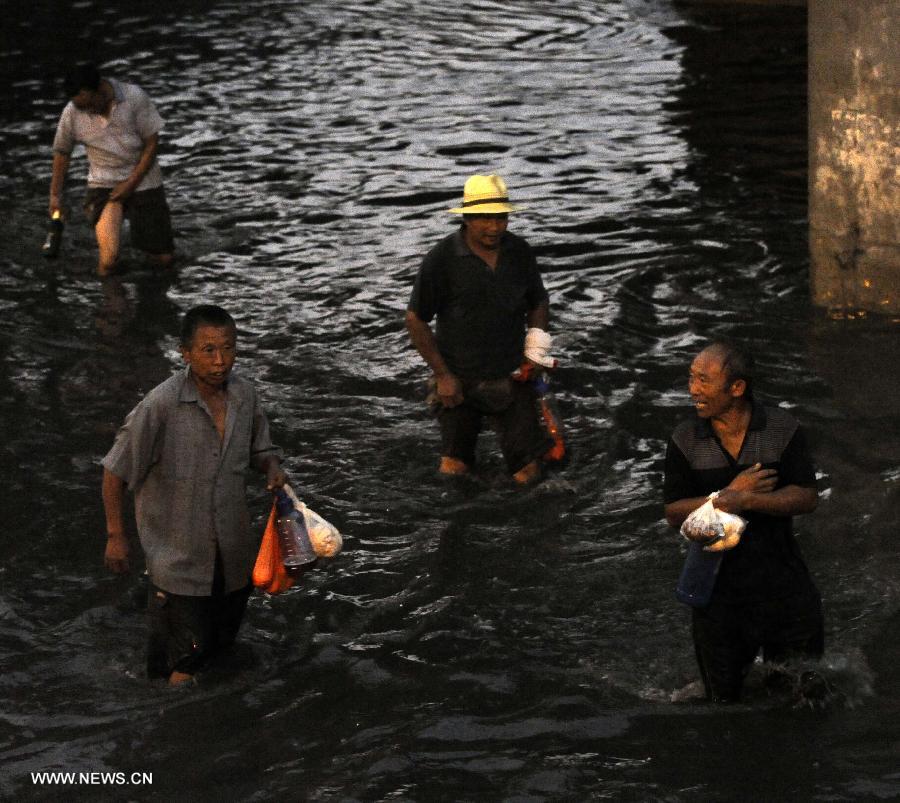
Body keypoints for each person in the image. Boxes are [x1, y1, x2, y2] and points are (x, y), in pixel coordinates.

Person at [102, 304, 286, 684]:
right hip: (179, 562)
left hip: (233, 557)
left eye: (229, 349)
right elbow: (114, 471)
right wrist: (116, 536)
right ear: (184, 353)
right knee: (180, 666)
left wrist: (271, 468)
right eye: (208, 350)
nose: (221, 361)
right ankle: (170, 730)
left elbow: (260, 450)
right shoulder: (160, 406)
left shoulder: (245, 397)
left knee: (220, 650)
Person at [663, 341, 824, 703]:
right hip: (717, 595)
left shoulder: (781, 428)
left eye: (703, 380)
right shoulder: (685, 439)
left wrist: (749, 499)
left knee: (803, 696)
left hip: (785, 587)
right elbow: (673, 512)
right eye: (691, 378)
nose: (693, 390)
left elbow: (807, 496)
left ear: (737, 388)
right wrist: (724, 496)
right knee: (723, 702)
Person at [405, 174, 555, 485]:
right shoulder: (442, 259)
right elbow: (416, 319)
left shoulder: (520, 252)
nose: (494, 227)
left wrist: (536, 347)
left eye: (501, 218)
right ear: (467, 218)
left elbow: (538, 300)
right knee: (454, 470)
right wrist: (443, 376)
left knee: (528, 476)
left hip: (512, 376)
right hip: (459, 381)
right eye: (485, 218)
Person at [49, 62, 174, 276]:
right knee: (108, 262)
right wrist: (54, 195)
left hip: (144, 179)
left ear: (99, 91)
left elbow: (152, 143)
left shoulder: (133, 97)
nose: (85, 111)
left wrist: (131, 183)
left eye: (88, 105)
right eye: (80, 107)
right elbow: (62, 152)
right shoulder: (72, 112)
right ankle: (111, 305)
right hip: (103, 182)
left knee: (162, 260)